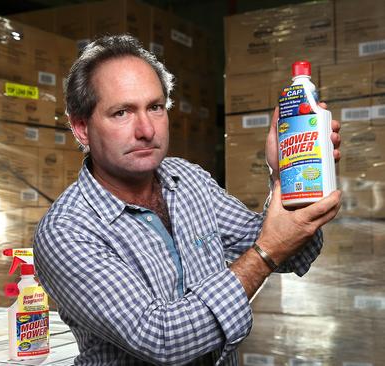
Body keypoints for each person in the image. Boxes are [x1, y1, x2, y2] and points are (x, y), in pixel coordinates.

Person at [33, 35, 342, 365]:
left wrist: (288, 175)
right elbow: (165, 339)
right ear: (81, 129)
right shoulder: (66, 231)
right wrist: (266, 252)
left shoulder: (188, 179)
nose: (145, 130)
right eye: (122, 112)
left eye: (154, 107)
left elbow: (292, 252)